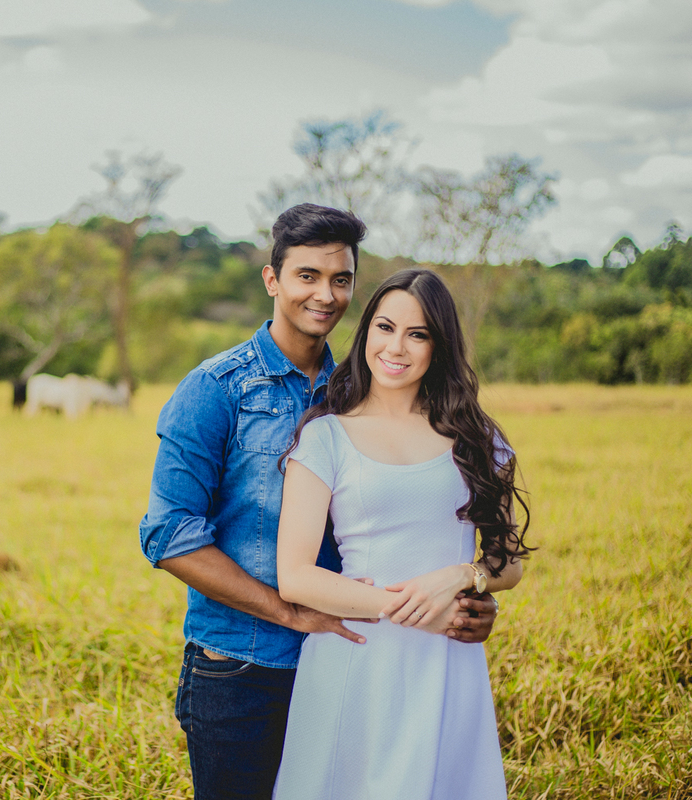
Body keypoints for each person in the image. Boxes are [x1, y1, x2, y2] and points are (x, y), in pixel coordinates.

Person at [138, 204, 501, 800]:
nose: (325, 295)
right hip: (242, 667)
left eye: (341, 279)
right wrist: (290, 613)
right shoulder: (214, 389)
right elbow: (168, 535)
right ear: (272, 279)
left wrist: (468, 593)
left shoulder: (355, 393)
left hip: (350, 661)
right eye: (307, 275)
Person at [271, 268, 532, 799]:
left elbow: (508, 563)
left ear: (440, 345)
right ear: (366, 332)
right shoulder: (326, 436)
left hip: (446, 662)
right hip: (357, 654)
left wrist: (461, 577)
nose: (397, 347)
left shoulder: (475, 437)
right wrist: (410, 607)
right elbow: (294, 576)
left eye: (417, 334)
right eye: (385, 328)